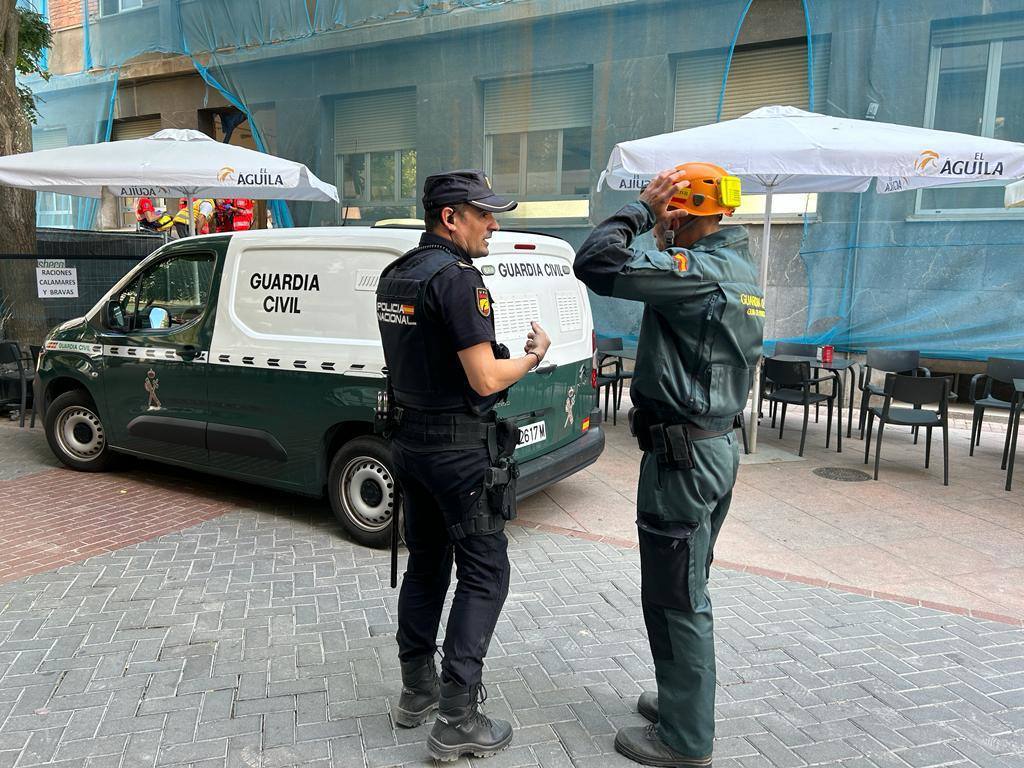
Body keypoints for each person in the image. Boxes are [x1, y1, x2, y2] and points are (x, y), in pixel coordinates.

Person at [574, 164, 764, 767]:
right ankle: (681, 703)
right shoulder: (739, 269)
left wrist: (638, 213)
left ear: (682, 213)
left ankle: (685, 740)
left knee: (678, 596)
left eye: (670, 218)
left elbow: (596, 263)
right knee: (684, 584)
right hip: (713, 449)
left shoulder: (699, 273)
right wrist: (664, 236)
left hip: (683, 459)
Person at [375, 169, 551, 762]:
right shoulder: (456, 280)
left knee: (427, 564)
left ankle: (416, 690)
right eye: (485, 215)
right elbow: (484, 377)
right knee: (485, 571)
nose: (494, 226)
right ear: (451, 218)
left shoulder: (395, 274)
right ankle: (457, 716)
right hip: (456, 451)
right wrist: (530, 355)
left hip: (409, 446)